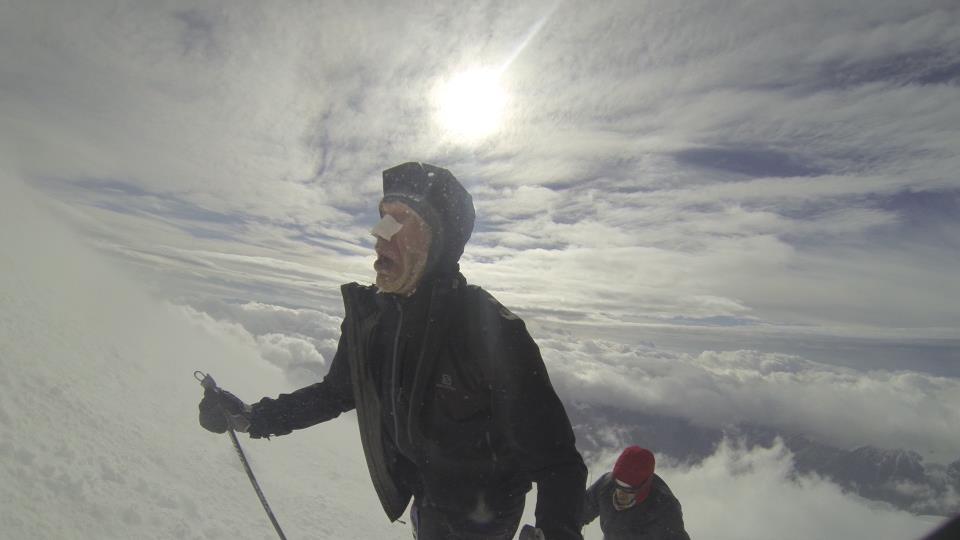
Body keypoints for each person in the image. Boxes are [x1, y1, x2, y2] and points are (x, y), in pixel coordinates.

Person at [199, 162, 587, 540]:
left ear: (438, 241)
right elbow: (337, 392)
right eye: (383, 219)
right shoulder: (373, 321)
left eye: (400, 220)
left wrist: (557, 531)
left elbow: (557, 462)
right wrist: (253, 417)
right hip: (426, 500)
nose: (380, 236)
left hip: (485, 516)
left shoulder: (490, 331)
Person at [581, 446, 689, 540]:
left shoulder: (664, 508)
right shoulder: (605, 486)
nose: (620, 494)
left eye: (628, 490)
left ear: (643, 488)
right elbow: (576, 514)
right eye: (617, 486)